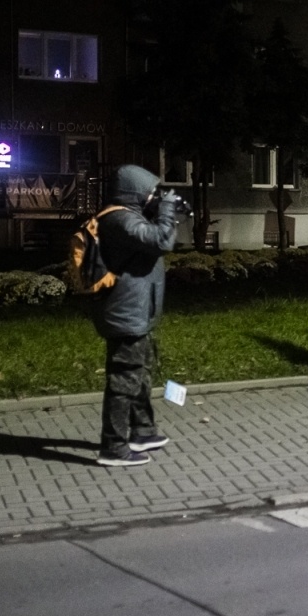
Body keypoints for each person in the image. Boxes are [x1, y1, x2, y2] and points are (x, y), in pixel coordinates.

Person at [92, 164, 180, 468]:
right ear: (134, 192)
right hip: (124, 313)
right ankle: (113, 446)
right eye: (151, 192)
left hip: (136, 311)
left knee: (138, 374)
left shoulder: (131, 217)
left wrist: (161, 210)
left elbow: (155, 237)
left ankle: (143, 432)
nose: (155, 196)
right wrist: (166, 210)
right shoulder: (119, 219)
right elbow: (161, 241)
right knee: (124, 379)